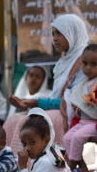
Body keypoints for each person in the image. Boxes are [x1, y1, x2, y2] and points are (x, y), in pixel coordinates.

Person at [5, 14, 88, 154]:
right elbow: (58, 96)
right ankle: (8, 166)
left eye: (60, 33)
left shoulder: (84, 61)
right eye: (53, 34)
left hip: (73, 113)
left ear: (73, 34)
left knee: (27, 123)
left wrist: (35, 103)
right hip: (59, 109)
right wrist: (30, 101)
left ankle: (28, 170)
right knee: (13, 119)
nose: (54, 38)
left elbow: (72, 101)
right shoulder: (63, 61)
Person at [63, 44, 97, 172]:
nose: (88, 68)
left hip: (94, 123)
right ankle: (82, 165)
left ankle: (72, 163)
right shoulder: (84, 84)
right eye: (85, 63)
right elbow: (79, 104)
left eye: (94, 64)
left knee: (77, 137)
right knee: (67, 138)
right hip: (83, 122)